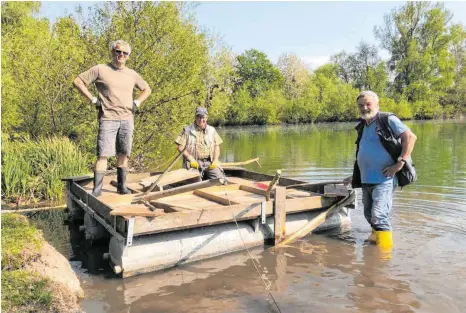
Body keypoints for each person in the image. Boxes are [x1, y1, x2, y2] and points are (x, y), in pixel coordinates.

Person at [73, 40, 151, 196]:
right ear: (112, 52)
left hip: (127, 119)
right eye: (118, 51)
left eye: (124, 53)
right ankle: (97, 190)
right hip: (108, 118)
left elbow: (147, 89)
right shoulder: (100, 69)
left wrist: (137, 102)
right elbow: (77, 81)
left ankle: (121, 187)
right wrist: (93, 99)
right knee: (103, 154)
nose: (121, 55)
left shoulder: (132, 74)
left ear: (128, 56)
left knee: (124, 154)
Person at [346, 91, 417, 253]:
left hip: (384, 178)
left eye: (368, 104)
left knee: (378, 215)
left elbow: (410, 137)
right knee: (369, 215)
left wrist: (400, 162)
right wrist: (355, 176)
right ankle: (375, 243)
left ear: (377, 105)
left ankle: (383, 257)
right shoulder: (363, 126)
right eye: (361, 105)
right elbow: (366, 152)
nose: (364, 108)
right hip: (365, 179)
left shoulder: (387, 120)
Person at [175, 107, 224, 180]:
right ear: (195, 117)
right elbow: (180, 147)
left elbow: (216, 146)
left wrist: (215, 160)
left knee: (221, 180)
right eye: (198, 117)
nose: (201, 120)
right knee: (196, 183)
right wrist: (190, 159)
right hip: (193, 163)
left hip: (209, 162)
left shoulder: (212, 130)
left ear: (206, 117)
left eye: (203, 117)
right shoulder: (187, 130)